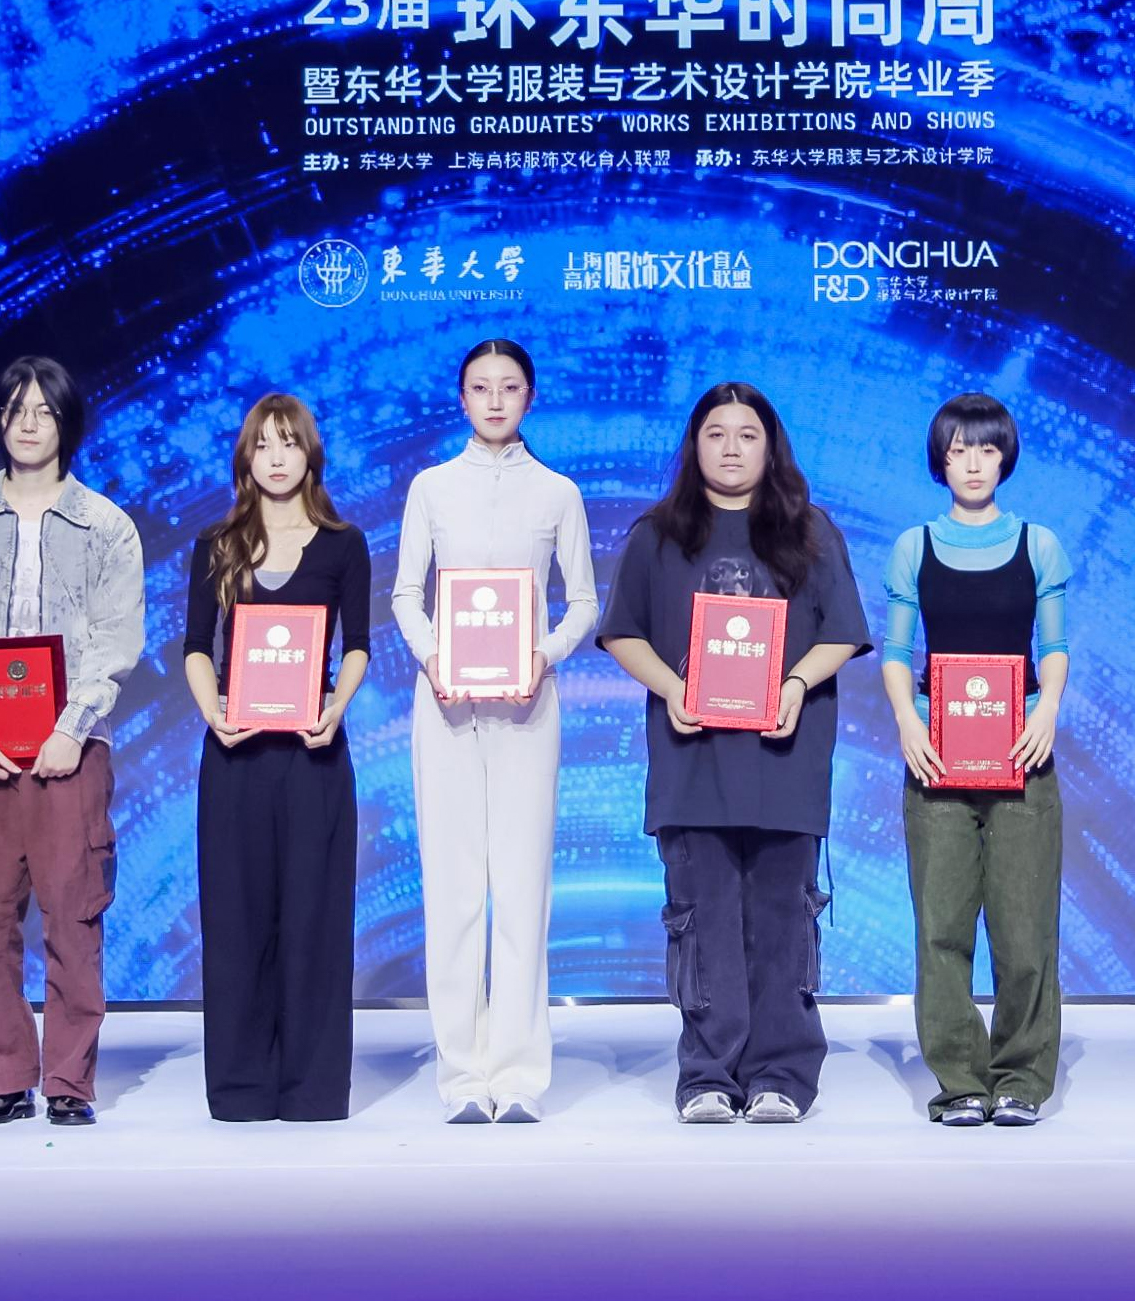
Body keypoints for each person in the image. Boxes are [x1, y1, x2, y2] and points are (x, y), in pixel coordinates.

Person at [604, 381, 872, 1124]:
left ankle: (782, 1072)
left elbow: (842, 631)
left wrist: (794, 683)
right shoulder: (657, 535)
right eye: (715, 433)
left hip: (786, 758)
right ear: (693, 445)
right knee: (704, 918)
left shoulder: (810, 531)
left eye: (746, 434)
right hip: (693, 761)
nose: (730, 447)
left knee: (784, 917)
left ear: (770, 446)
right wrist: (674, 687)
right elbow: (623, 630)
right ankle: (708, 1075)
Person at [0, 355, 146, 1127]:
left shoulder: (107, 525)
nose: (28, 422)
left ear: (66, 422)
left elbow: (117, 639)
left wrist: (71, 727)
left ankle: (68, 1081)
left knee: (74, 918)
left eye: (44, 409)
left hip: (71, 752)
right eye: (15, 408)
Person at [387, 338, 599, 1122]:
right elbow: (406, 593)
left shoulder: (556, 492)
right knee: (452, 890)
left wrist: (542, 654)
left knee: (519, 888)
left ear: (529, 397)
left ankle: (516, 1074)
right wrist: (432, 656)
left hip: (525, 707)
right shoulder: (431, 487)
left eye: (509, 387)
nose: (495, 400)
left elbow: (583, 601)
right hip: (443, 705)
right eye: (481, 387)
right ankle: (460, 1074)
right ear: (462, 398)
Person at [879, 393, 1071, 1127]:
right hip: (938, 756)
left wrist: (1045, 710)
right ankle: (959, 1078)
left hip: (1022, 753)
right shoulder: (914, 546)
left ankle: (1020, 1075)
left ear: (1004, 457)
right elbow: (898, 651)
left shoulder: (1038, 544)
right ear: (940, 459)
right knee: (941, 926)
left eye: (986, 449)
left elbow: (1053, 646)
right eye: (958, 450)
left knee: (1025, 928)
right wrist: (908, 721)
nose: (972, 463)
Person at [180, 394, 373, 1122]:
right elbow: (197, 647)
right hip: (235, 756)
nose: (276, 457)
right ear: (246, 459)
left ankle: (311, 1088)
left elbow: (357, 645)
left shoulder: (343, 544)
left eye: (289, 443)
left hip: (312, 753)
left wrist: (335, 706)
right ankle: (240, 1088)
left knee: (315, 918)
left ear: (310, 454)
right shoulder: (217, 544)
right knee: (236, 922)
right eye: (262, 444)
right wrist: (214, 711)